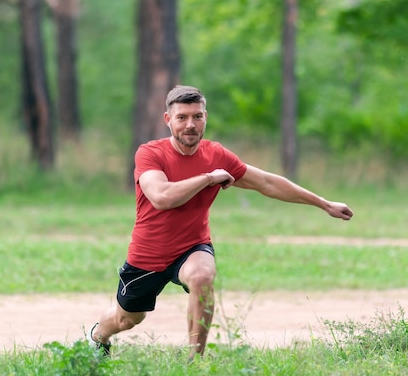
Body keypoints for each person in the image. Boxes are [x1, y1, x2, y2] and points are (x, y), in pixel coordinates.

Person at [89, 85, 354, 361]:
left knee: (202, 276)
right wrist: (208, 178)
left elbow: (266, 182)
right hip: (147, 255)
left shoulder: (216, 156)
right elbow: (162, 197)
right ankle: (98, 337)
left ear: (206, 117)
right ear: (168, 120)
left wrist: (324, 203)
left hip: (192, 246)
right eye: (182, 117)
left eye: (197, 116)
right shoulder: (151, 154)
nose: (190, 124)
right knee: (126, 319)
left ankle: (195, 363)